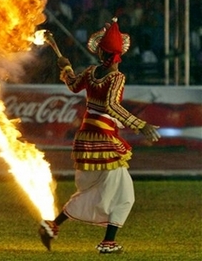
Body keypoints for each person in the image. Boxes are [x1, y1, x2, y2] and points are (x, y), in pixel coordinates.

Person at [38, 18, 161, 254]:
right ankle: (107, 242)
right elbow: (112, 106)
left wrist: (65, 68)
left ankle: (54, 225)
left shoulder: (92, 72)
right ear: (118, 55)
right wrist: (139, 124)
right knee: (123, 192)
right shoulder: (116, 78)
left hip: (86, 137)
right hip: (103, 139)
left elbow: (73, 85)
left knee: (94, 190)